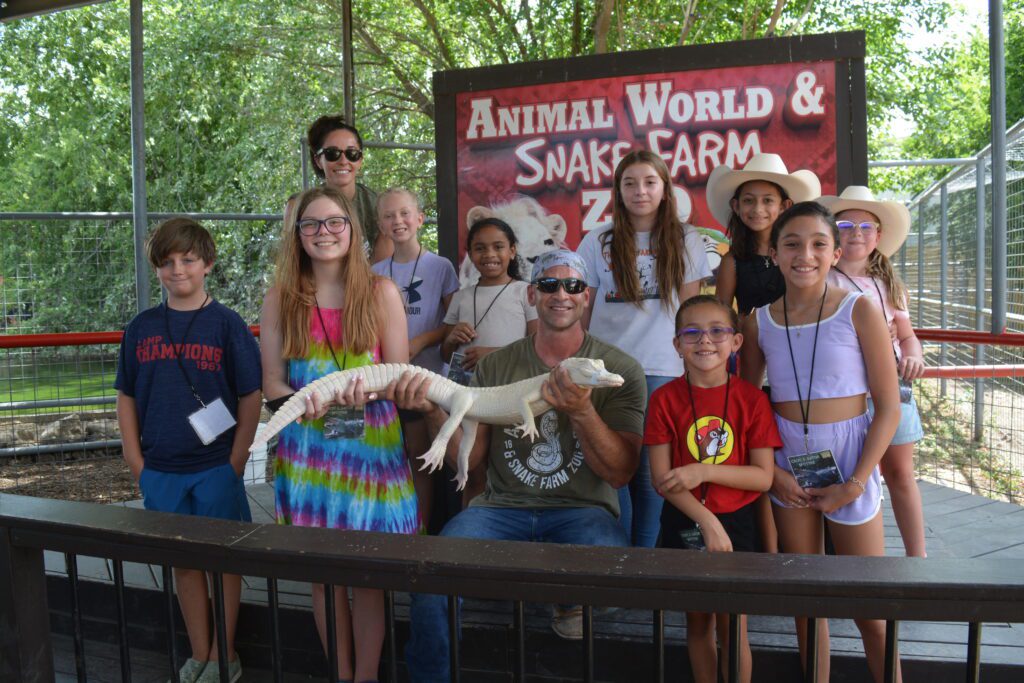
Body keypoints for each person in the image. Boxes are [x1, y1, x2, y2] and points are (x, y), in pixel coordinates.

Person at [389, 250, 646, 680]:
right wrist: (433, 411)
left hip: (581, 510)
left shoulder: (621, 369)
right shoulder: (496, 364)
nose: (561, 294)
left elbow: (621, 473)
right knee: (430, 575)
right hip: (500, 509)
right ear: (531, 294)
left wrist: (582, 412)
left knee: (615, 575)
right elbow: (469, 462)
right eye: (548, 285)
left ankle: (567, 606)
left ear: (586, 298)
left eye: (573, 286)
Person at [740, 202, 902, 683]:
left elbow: (889, 407)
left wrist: (854, 483)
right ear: (773, 251)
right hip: (789, 460)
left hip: (851, 456)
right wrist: (774, 471)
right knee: (806, 604)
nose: (804, 254)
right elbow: (752, 408)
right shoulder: (758, 321)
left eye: (817, 244)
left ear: (834, 253)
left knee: (870, 610)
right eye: (791, 243)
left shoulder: (860, 309)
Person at [260, 186, 415, 682]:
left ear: (352, 230)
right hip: (310, 453)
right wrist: (312, 401)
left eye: (334, 222)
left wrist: (366, 395)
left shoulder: (381, 292)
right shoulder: (280, 298)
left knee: (369, 579)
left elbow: (399, 374)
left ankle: (366, 676)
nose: (323, 232)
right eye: (311, 224)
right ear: (297, 234)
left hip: (371, 453)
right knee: (323, 580)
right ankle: (341, 675)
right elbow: (272, 383)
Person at [115, 218, 261, 683]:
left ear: (208, 264)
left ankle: (224, 653)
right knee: (184, 562)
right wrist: (137, 462)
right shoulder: (141, 328)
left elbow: (250, 395)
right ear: (157, 267)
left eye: (188, 260)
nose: (178, 270)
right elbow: (127, 396)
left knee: (224, 560)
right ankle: (200, 651)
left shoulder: (227, 325)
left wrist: (235, 463)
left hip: (216, 466)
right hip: (161, 469)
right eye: (167, 262)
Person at [577, 149, 712, 548]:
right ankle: (619, 563)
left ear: (665, 189)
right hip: (606, 371)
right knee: (612, 469)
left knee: (654, 477)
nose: (640, 191)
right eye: (630, 183)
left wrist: (692, 370)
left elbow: (690, 313)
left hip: (662, 369)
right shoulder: (596, 240)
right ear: (618, 192)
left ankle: (645, 565)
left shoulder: (686, 239)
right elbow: (583, 309)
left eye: (650, 182)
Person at [648, 295, 779, 683]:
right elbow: (662, 480)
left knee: (733, 626)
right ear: (677, 345)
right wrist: (706, 519)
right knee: (699, 622)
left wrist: (702, 470)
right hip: (685, 518)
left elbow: (762, 477)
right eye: (692, 332)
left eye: (717, 331)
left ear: (736, 342)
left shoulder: (752, 400)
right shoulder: (663, 399)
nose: (705, 341)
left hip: (738, 521)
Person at [705, 153, 821, 554]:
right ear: (736, 206)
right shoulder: (732, 261)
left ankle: (812, 536)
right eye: (749, 200)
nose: (758, 209)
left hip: (805, 368)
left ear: (785, 206)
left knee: (802, 443)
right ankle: (769, 550)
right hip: (756, 370)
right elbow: (721, 318)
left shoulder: (799, 258)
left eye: (768, 200)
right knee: (762, 450)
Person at [822, 186, 926, 557]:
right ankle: (862, 552)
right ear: (833, 232)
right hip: (846, 395)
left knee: (899, 473)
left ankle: (918, 557)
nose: (856, 233)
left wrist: (915, 355)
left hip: (892, 390)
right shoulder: (822, 281)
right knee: (856, 476)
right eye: (846, 224)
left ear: (878, 236)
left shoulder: (888, 285)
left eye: (867, 227)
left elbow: (909, 337)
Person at [371, 187, 460, 530]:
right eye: (389, 216)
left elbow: (453, 322)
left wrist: (422, 340)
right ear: (380, 224)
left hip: (428, 379)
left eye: (405, 213)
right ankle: (393, 523)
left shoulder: (440, 266)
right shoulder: (375, 271)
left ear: (420, 219)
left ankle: (420, 529)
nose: (398, 221)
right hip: (388, 381)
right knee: (396, 456)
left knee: (423, 458)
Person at [441, 217, 538, 502]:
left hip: (509, 393)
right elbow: (446, 355)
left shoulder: (525, 292)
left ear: (513, 251)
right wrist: (451, 338)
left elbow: (534, 345)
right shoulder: (462, 296)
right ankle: (471, 528)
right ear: (470, 254)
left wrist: (492, 353)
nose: (490, 255)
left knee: (511, 462)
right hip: (466, 394)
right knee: (470, 466)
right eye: (480, 248)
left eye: (498, 247)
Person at [307, 114, 392, 263]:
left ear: (360, 160)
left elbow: (383, 269)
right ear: (318, 160)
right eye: (332, 154)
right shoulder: (303, 207)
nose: (343, 161)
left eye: (352, 154)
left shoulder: (379, 206)